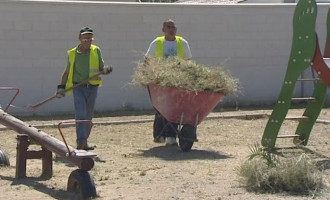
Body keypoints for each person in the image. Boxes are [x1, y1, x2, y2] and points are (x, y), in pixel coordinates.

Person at [56, 27, 112, 150]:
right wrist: (61, 87)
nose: (88, 40)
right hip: (78, 87)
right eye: (85, 38)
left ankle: (84, 142)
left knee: (88, 116)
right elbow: (66, 72)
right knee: (80, 115)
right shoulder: (72, 53)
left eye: (90, 38)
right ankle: (80, 143)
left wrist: (105, 70)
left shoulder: (96, 50)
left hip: (92, 87)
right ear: (80, 38)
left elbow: (101, 68)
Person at [145, 19, 192, 146]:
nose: (171, 29)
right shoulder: (157, 43)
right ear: (163, 30)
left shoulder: (183, 43)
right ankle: (159, 135)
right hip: (159, 81)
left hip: (178, 81)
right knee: (160, 108)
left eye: (173, 27)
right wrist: (146, 77)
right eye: (168, 26)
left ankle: (171, 136)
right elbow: (147, 60)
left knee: (174, 108)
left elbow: (189, 62)